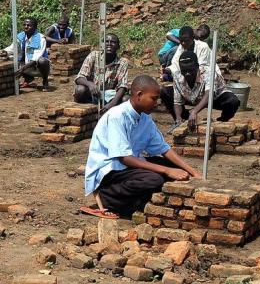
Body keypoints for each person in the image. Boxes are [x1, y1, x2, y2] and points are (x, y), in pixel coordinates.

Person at [82, 75, 201, 218]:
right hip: (110, 170)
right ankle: (108, 196)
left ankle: (137, 201)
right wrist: (167, 170)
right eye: (154, 98)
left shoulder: (145, 118)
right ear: (139, 95)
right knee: (155, 179)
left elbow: (164, 148)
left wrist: (194, 172)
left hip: (130, 164)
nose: (157, 103)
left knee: (176, 169)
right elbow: (124, 158)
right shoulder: (117, 116)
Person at [170, 50, 241, 129]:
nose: (187, 74)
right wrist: (178, 117)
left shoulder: (208, 72)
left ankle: (223, 121)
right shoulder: (177, 76)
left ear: (197, 66)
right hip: (192, 98)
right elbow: (177, 101)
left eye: (190, 70)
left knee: (233, 101)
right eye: (184, 71)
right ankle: (183, 120)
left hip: (214, 98)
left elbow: (209, 94)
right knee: (165, 91)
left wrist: (194, 111)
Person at [75, 33, 129, 106]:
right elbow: (79, 78)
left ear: (118, 46)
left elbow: (122, 86)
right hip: (92, 92)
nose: (109, 44)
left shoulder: (122, 62)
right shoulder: (93, 55)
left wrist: (111, 104)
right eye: (106, 41)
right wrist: (90, 84)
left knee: (126, 99)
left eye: (113, 42)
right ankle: (84, 113)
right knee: (80, 89)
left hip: (109, 95)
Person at [0, 17, 51, 91]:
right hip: (24, 65)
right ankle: (28, 78)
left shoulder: (40, 39)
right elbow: (13, 48)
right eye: (24, 25)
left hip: (37, 68)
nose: (26, 27)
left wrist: (22, 69)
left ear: (35, 27)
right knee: (6, 58)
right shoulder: (20, 36)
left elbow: (35, 59)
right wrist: (5, 52)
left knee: (42, 61)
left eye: (29, 25)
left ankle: (45, 80)